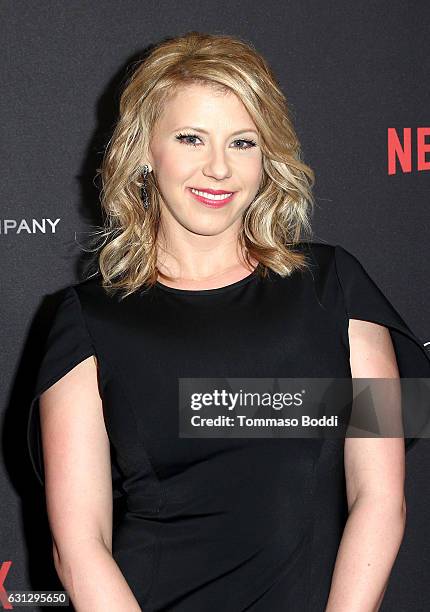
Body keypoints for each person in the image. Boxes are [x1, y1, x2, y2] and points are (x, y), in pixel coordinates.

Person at [27, 31, 430, 611]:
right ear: (144, 150)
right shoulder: (84, 321)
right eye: (191, 138)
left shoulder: (341, 287)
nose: (218, 168)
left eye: (242, 142)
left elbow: (382, 498)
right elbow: (77, 544)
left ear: (267, 157)